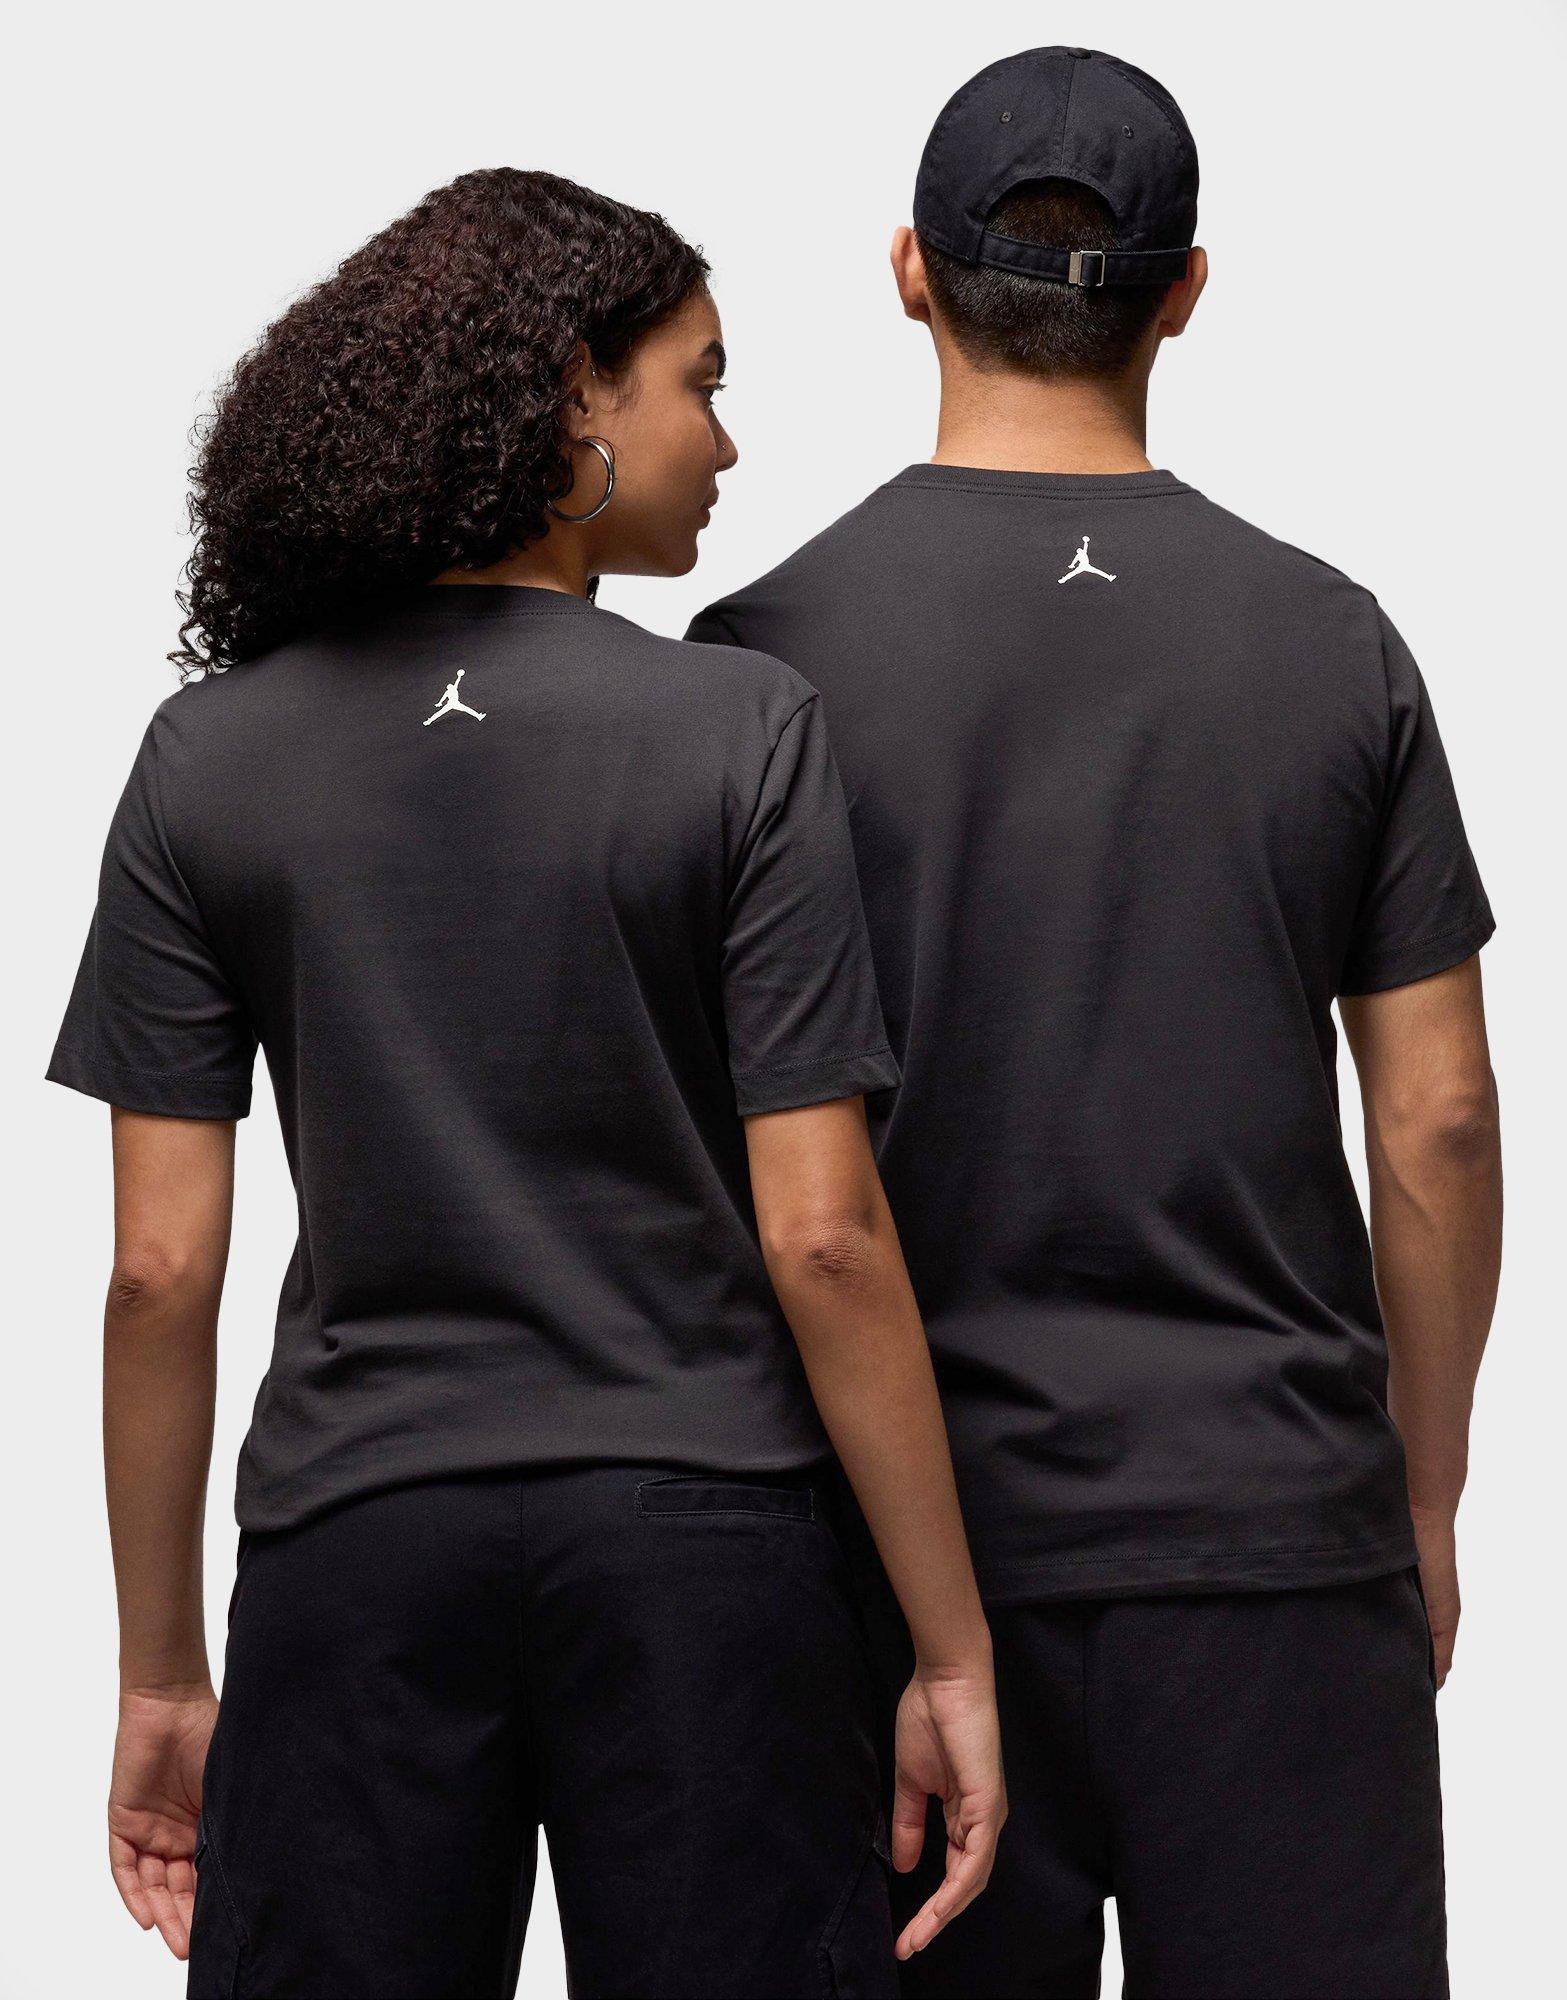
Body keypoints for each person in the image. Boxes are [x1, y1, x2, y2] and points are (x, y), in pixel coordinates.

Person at [48, 168, 1005, 2000]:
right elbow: (824, 1236)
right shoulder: (740, 729)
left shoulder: (207, 760)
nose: (725, 440)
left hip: (358, 1541)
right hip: (706, 1543)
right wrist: (949, 1652)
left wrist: (162, 1673)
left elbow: (157, 1273)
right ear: (576, 395)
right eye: (699, 382)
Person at [689, 47, 1500, 2000]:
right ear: (1185, 291)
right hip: (1276, 1535)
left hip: (896, 1575)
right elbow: (1439, 1122)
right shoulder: (1334, 641)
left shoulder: (758, 664)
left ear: (907, 270)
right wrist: (1419, 1489)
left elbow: (720, 1169)